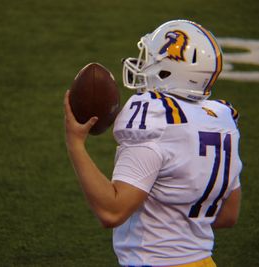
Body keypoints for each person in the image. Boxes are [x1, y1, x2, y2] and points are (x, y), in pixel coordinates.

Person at [64, 19, 242, 267]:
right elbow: (228, 215)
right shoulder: (221, 119)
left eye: (151, 58)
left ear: (171, 70)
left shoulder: (155, 114)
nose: (143, 64)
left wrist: (75, 143)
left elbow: (111, 211)